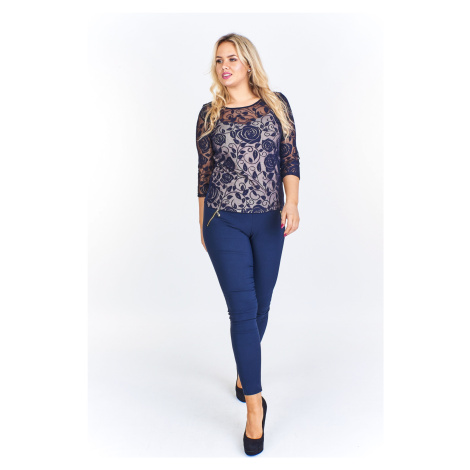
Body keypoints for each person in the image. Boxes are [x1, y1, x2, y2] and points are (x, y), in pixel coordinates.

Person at [196, 33, 300, 456]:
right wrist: (202, 224)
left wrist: (293, 202)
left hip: (270, 219)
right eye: (219, 60)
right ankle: (255, 407)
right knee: (242, 311)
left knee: (261, 307)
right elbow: (203, 173)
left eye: (233, 59)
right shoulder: (209, 115)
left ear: (248, 63)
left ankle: (245, 372)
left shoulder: (277, 104)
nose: (225, 66)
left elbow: (290, 157)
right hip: (223, 220)